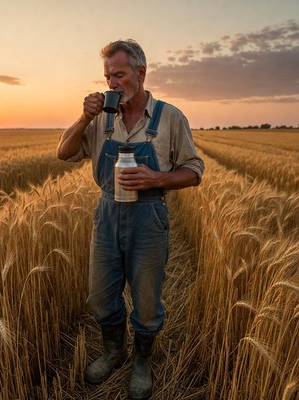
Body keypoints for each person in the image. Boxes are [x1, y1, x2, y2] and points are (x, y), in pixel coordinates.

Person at [57, 39, 204, 400]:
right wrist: (85, 116)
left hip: (149, 215)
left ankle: (141, 362)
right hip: (107, 213)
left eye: (119, 74)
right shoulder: (101, 119)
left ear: (141, 73)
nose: (111, 83)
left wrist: (158, 179)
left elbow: (195, 170)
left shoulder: (170, 117)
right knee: (100, 297)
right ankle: (113, 351)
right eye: (107, 76)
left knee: (146, 300)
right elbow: (63, 153)